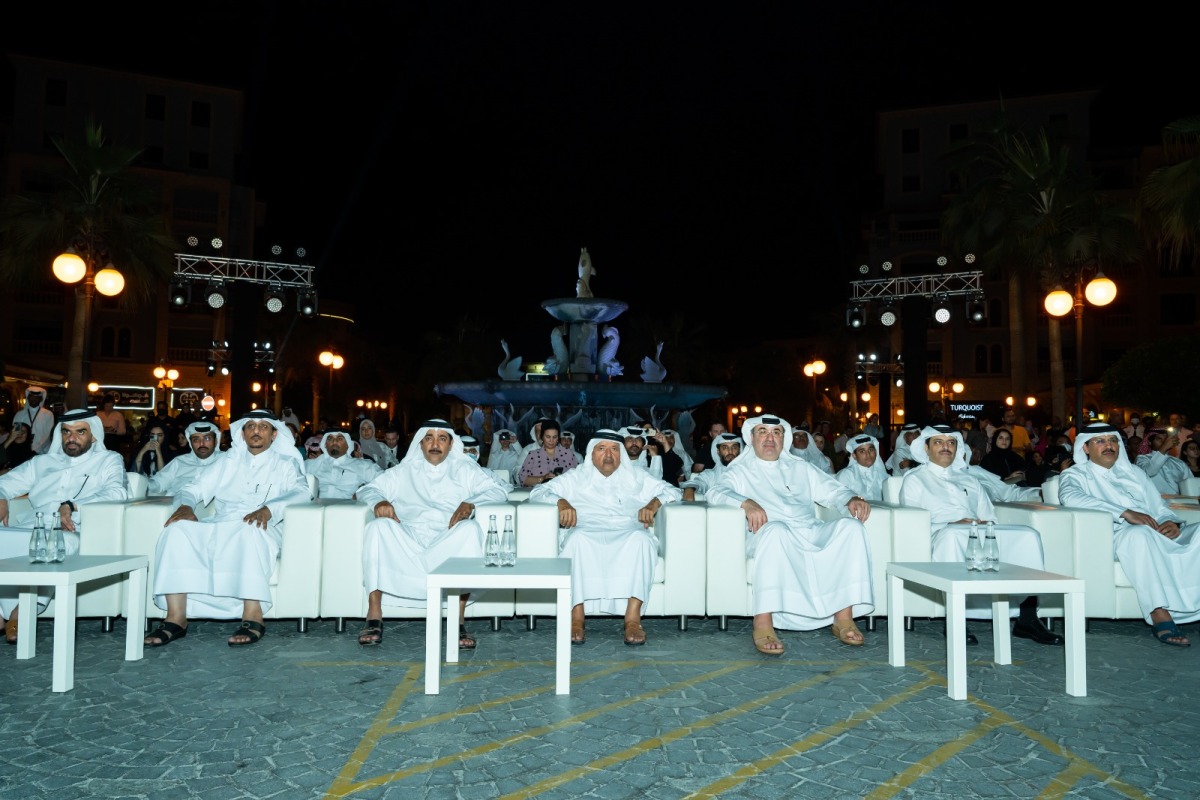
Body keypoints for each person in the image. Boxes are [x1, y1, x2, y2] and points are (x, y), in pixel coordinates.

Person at [706, 414, 874, 655]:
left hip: (808, 529)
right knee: (777, 531)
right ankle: (763, 622)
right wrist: (746, 502)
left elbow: (832, 489)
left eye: (776, 433)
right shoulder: (740, 470)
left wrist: (850, 498)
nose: (769, 438)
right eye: (762, 432)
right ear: (752, 438)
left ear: (783, 439)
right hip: (767, 533)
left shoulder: (801, 467)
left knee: (851, 529)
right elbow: (716, 491)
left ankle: (843, 617)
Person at [144, 410, 309, 647]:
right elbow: (193, 488)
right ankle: (176, 618)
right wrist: (187, 506)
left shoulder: (286, 463)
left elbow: (302, 492)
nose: (256, 431)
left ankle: (253, 615)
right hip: (222, 523)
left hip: (263, 525)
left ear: (274, 435)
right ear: (242, 432)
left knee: (249, 529)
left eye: (263, 427)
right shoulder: (227, 461)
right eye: (250, 426)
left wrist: (269, 509)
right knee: (175, 530)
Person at [899, 424, 1062, 647]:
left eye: (951, 443)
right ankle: (955, 619)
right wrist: (952, 522)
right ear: (926, 448)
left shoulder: (970, 479)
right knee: (954, 535)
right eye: (938, 442)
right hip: (940, 532)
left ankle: (1027, 619)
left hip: (977, 530)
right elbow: (913, 522)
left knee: (1027, 535)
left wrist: (984, 525)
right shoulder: (914, 479)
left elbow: (989, 515)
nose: (946, 447)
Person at [355, 420, 509, 648]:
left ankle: (458, 621)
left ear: (450, 445)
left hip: (446, 539)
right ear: (420, 444)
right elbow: (367, 489)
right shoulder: (403, 471)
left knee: (469, 530)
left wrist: (471, 503)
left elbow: (500, 489)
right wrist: (380, 501)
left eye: (442, 439)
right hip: (409, 538)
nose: (435, 444)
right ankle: (374, 614)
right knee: (378, 527)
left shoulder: (465, 469)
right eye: (429, 438)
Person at [529, 429, 681, 646]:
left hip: (628, 530)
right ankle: (577, 617)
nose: (608, 455)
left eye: (614, 450)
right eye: (601, 449)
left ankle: (633, 619)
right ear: (592, 453)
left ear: (621, 455)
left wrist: (653, 503)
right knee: (575, 541)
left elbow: (672, 491)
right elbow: (538, 492)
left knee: (643, 541)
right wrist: (561, 502)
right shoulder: (577, 476)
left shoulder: (636, 476)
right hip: (587, 529)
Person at [1060, 422, 1200, 647]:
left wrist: (1170, 522)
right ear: (1085, 448)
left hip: (1156, 531)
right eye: (1100, 441)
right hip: (1118, 534)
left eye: (1113, 440)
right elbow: (1071, 498)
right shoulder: (1076, 475)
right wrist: (1124, 513)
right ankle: (1158, 611)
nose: (1109, 446)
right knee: (1139, 535)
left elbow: (1160, 507)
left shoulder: (1134, 472)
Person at [0, 410, 129, 643]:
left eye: (81, 432)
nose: (72, 438)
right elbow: (5, 483)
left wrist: (73, 505)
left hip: (72, 529)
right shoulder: (42, 462)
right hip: (32, 524)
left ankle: (20, 613)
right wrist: (1, 497)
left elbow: (117, 492)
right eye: (66, 432)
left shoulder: (108, 460)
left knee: (52, 546)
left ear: (93, 436)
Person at [148, 421, 226, 496]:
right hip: (172, 505)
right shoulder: (179, 461)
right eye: (196, 439)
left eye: (207, 438)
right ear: (191, 443)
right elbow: (159, 483)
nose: (202, 444)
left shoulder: (226, 461)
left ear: (215, 441)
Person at [305, 429, 382, 500]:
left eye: (340, 439)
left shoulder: (362, 465)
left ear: (348, 445)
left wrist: (362, 492)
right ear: (325, 445)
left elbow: (385, 482)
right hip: (316, 511)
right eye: (330, 439)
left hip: (348, 511)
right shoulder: (311, 464)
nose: (334, 442)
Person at [679, 433, 742, 501]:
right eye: (725, 447)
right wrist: (689, 489)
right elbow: (697, 482)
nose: (730, 451)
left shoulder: (747, 472)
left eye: (734, 447)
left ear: (739, 450)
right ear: (718, 451)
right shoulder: (711, 475)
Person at [518, 419, 579, 487]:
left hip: (564, 492)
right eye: (548, 437)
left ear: (558, 438)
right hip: (540, 493)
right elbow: (523, 479)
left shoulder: (568, 453)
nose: (551, 440)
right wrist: (543, 478)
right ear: (542, 437)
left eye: (554, 437)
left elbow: (578, 476)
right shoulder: (533, 455)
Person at [1136, 428, 1190, 495]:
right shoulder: (1142, 459)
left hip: (1178, 502)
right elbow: (1149, 472)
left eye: (1165, 439)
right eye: (1159, 439)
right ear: (1149, 442)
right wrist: (1165, 447)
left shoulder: (1179, 463)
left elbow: (1190, 485)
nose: (1164, 441)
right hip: (1154, 502)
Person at [837, 434, 888, 502]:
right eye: (862, 451)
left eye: (871, 450)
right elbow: (838, 497)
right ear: (854, 456)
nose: (868, 454)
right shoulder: (846, 475)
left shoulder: (883, 476)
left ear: (876, 452)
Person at [17, 386, 55, 456]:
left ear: (41, 399)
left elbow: (48, 434)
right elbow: (16, 432)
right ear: (28, 398)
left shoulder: (48, 414)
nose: (34, 399)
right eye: (32, 397)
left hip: (42, 452)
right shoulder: (19, 414)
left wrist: (35, 450)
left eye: (36, 397)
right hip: (23, 451)